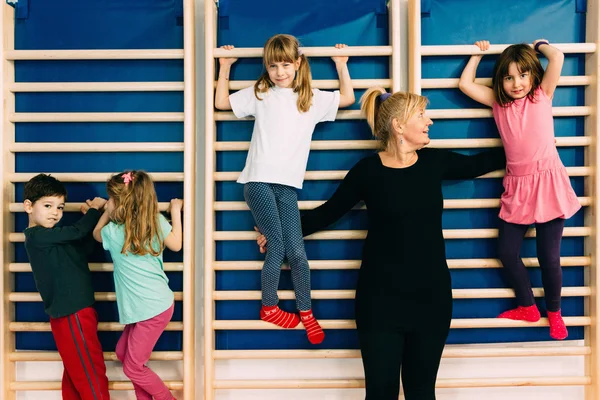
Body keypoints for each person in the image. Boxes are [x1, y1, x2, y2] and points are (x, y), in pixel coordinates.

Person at [256, 88, 506, 399]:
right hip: (379, 303)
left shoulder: (435, 162)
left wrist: (531, 140)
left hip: (431, 300)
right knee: (380, 393)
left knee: (421, 392)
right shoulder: (368, 171)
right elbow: (328, 212)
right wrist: (278, 232)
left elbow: (482, 163)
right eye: (421, 115)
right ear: (399, 125)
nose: (429, 121)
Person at [215, 33, 355, 344]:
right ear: (266, 68)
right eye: (273, 65)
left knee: (298, 253)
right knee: (276, 247)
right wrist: (224, 67)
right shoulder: (261, 92)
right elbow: (222, 103)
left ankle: (307, 312)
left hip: (288, 187)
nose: (279, 72)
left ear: (299, 63)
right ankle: (269, 306)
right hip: (258, 181)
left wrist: (341, 65)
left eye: (286, 65)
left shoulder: (311, 98)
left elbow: (347, 98)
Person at [458, 39, 580, 340]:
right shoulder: (499, 103)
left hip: (548, 182)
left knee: (549, 257)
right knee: (507, 251)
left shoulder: (542, 95)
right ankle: (527, 305)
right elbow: (465, 84)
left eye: (523, 75)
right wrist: (478, 54)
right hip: (518, 186)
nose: (517, 83)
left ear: (533, 76)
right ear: (500, 81)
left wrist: (539, 45)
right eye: (509, 77)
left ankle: (554, 312)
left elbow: (558, 56)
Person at [92, 170, 182, 400]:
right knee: (124, 354)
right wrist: (175, 212)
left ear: (119, 203)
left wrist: (104, 211)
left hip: (151, 309)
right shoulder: (155, 222)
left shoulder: (112, 232)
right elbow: (177, 245)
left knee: (132, 367)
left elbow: (95, 234)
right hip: (152, 306)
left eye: (111, 198)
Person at [23, 173, 110, 400]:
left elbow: (83, 246)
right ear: (28, 206)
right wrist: (94, 210)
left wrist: (95, 218)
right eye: (48, 205)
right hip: (72, 312)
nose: (55, 212)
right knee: (90, 372)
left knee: (76, 371)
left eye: (60, 207)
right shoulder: (37, 236)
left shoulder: (54, 238)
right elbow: (77, 231)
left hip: (75, 312)